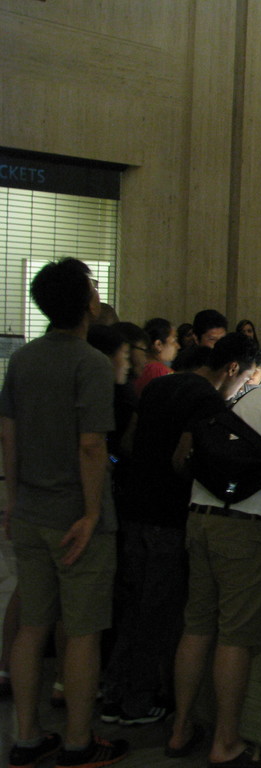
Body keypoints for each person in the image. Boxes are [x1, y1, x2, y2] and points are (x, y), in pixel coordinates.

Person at [1, 258, 130, 768]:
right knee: (81, 632)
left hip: (29, 509)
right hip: (77, 519)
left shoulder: (23, 360)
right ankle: (78, 742)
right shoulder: (91, 364)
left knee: (32, 626)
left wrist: (12, 502)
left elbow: (7, 434)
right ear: (87, 302)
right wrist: (93, 513)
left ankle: (26, 737)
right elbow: (92, 445)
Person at [105, 333, 259, 729]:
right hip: (168, 518)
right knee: (158, 613)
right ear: (231, 369)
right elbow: (182, 458)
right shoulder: (206, 399)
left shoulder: (158, 385)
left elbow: (127, 440)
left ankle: (114, 694)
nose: (240, 388)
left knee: (132, 607)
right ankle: (138, 704)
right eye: (243, 380)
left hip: (134, 511)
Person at [166, 350, 261, 768]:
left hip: (199, 515)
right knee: (235, 637)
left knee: (197, 625)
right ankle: (225, 742)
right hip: (245, 523)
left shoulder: (251, 394)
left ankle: (180, 728)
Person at [134, 317, 180, 397]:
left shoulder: (139, 367)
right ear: (158, 344)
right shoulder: (160, 371)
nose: (178, 346)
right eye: (174, 341)